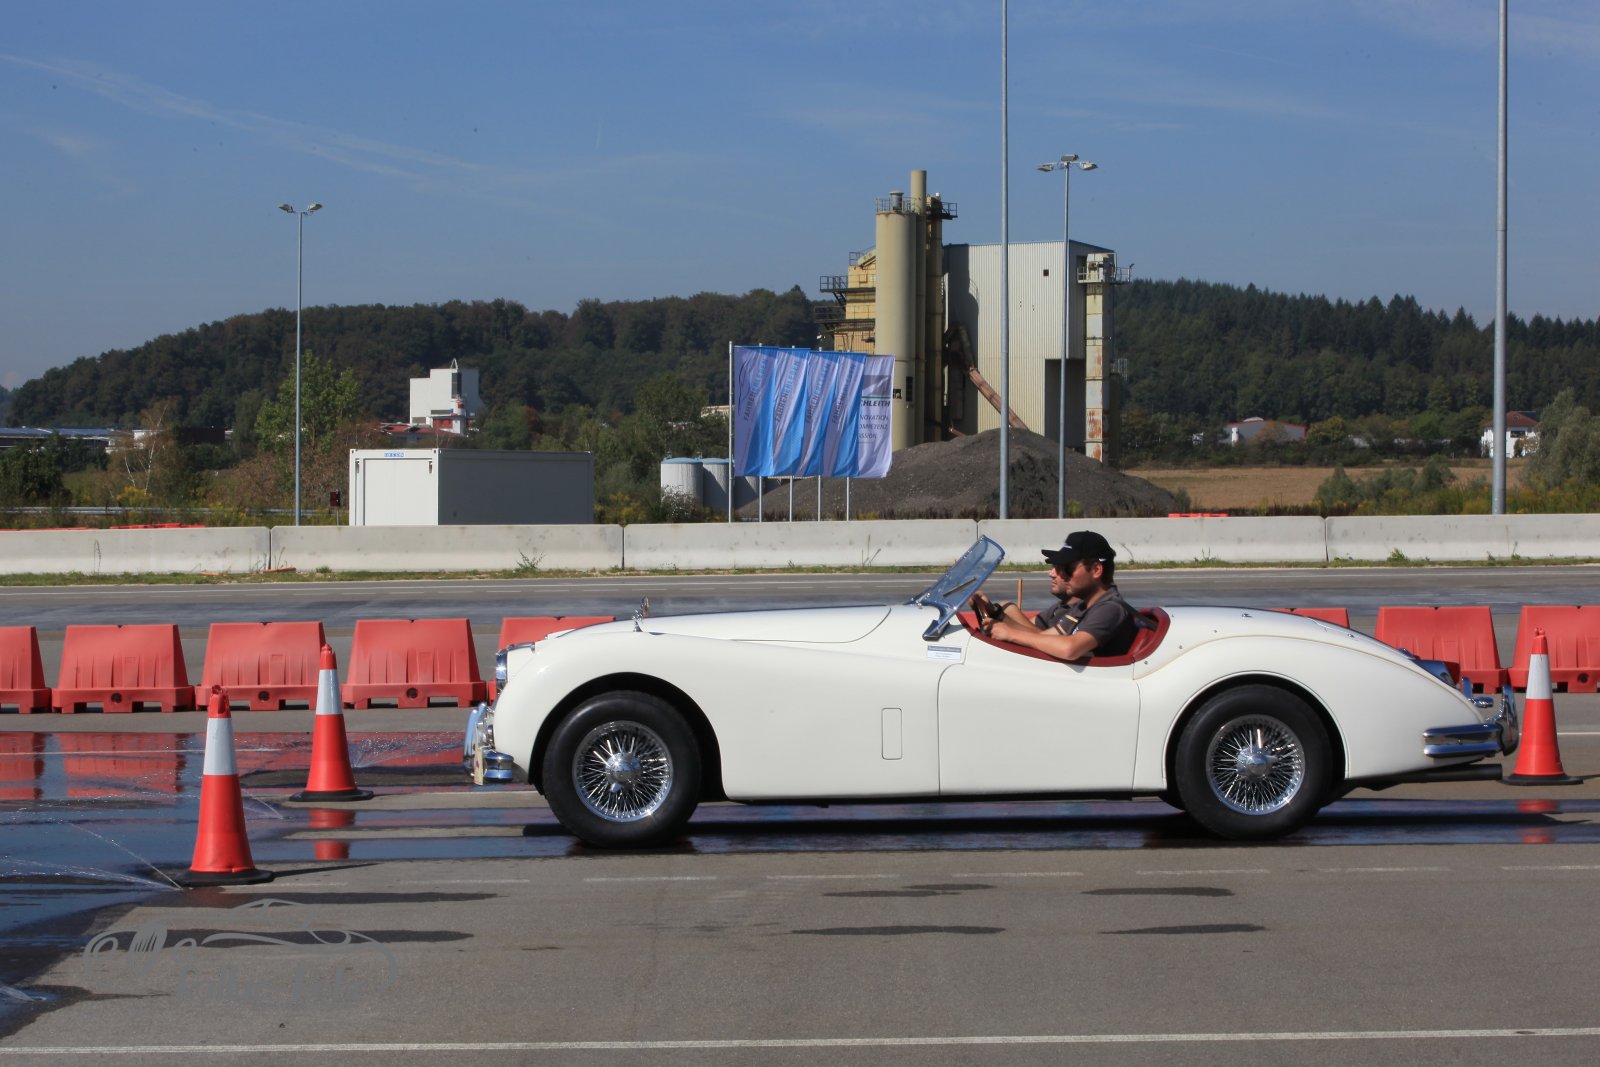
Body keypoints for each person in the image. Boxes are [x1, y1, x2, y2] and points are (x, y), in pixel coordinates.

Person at [968, 529, 1139, 662]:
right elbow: (1041, 637)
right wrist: (996, 615)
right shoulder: (1082, 607)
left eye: (1067, 568)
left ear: (1096, 570)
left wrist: (1011, 634)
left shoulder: (1110, 608)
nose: (1061, 575)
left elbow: (1070, 649)